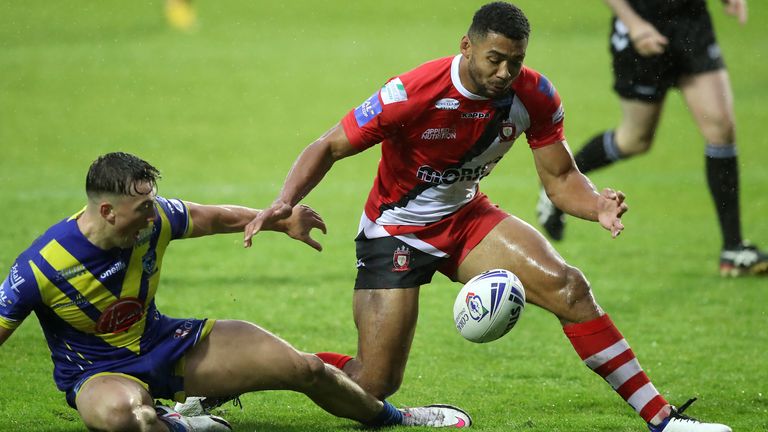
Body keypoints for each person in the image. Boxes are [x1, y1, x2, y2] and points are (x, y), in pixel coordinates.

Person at [237, 2, 733, 431]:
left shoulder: (534, 95)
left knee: (570, 288)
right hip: (395, 233)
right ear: (467, 47)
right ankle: (238, 372)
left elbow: (560, 179)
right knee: (373, 382)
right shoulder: (412, 92)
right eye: (494, 59)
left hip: (467, 219)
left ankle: (662, 419)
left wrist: (595, 205)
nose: (504, 73)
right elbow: (328, 145)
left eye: (514, 62)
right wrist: (285, 201)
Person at [0, 152, 472, 431]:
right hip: (98, 374)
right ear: (106, 211)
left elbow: (215, 217)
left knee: (304, 368)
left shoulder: (155, 218)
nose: (153, 214)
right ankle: (178, 422)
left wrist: (278, 219)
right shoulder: (40, 267)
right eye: (142, 207)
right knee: (134, 419)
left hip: (167, 343)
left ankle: (393, 417)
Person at [536, 0, 767, 277]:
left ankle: (733, 248)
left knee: (721, 126)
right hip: (641, 23)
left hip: (691, 21)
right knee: (635, 139)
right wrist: (633, 23)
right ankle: (560, 181)